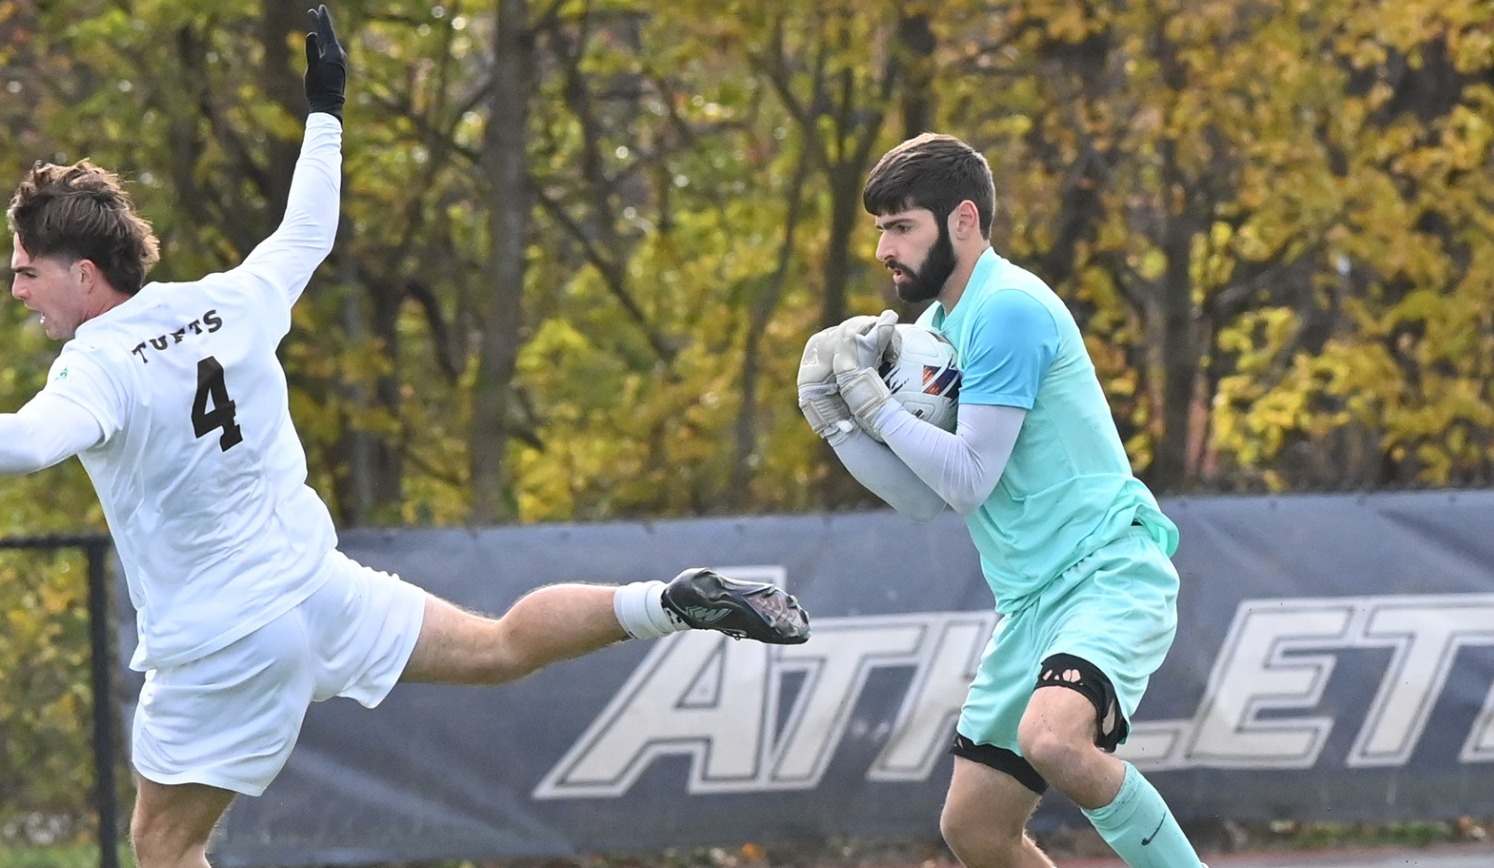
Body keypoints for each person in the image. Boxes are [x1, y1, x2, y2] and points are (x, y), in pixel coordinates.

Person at [0, 7, 809, 867]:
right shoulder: (229, 300)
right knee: (499, 647)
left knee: (163, 847)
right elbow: (307, 229)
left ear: (84, 273)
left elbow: (25, 447)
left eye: (26, 271)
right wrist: (326, 109)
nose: (17, 290)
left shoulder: (99, 363)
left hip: (223, 640)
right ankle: (665, 601)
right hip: (317, 590)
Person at [796, 132, 1204, 868]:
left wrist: (875, 408)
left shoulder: (1009, 308)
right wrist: (836, 423)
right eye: (881, 229)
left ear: (962, 220)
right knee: (975, 830)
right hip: (1028, 606)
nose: (885, 249)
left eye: (901, 226)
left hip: (1103, 574)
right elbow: (925, 501)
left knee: (1054, 740)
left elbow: (967, 479)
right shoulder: (933, 332)